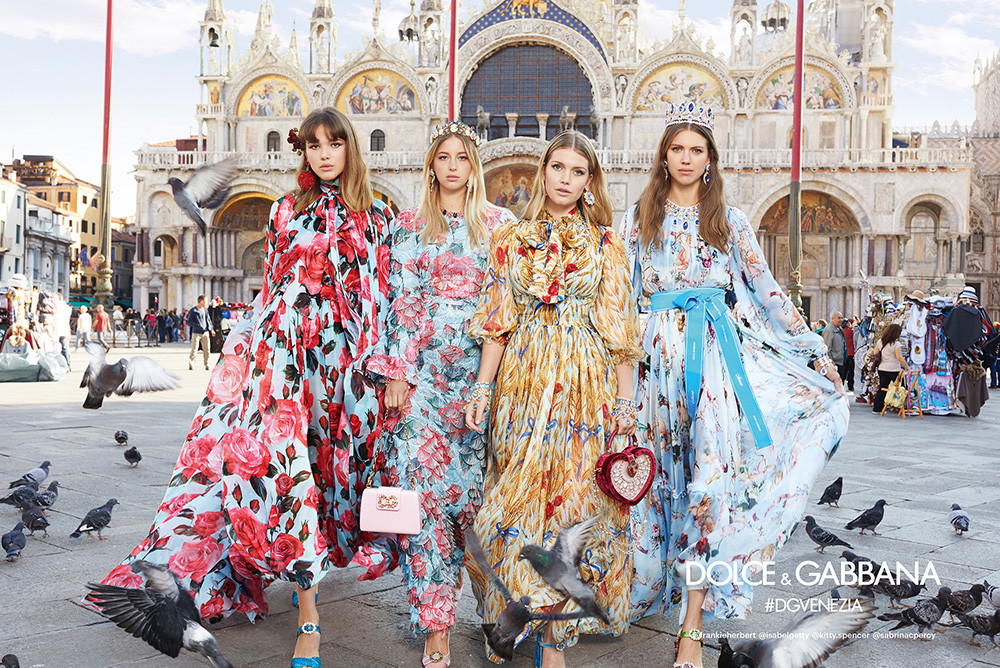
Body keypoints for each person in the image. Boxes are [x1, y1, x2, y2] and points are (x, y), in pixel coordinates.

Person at [89, 107, 400, 668]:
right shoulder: (284, 210)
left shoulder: (378, 216)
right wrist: (242, 353)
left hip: (347, 365)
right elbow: (272, 288)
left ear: (350, 148)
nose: (324, 154)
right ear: (303, 152)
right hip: (285, 359)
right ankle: (309, 617)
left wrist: (386, 369)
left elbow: (383, 295)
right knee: (283, 474)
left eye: (334, 144)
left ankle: (322, 568)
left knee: (335, 473)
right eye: (313, 145)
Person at [622, 105, 848, 668]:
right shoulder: (638, 218)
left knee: (710, 484)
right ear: (664, 157)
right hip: (654, 367)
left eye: (696, 150)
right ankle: (650, 585)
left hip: (718, 367)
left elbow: (768, 291)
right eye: (677, 149)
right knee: (655, 480)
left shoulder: (731, 220)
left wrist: (815, 353)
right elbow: (620, 294)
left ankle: (692, 627)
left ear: (710, 160)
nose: (686, 159)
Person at [464, 130, 642, 668]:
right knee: (510, 502)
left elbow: (620, 331)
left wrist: (626, 405)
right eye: (558, 167)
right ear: (543, 172)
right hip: (522, 382)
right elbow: (497, 321)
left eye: (577, 171)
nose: (565, 179)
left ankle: (552, 644)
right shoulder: (509, 239)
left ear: (591, 183)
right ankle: (516, 611)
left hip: (585, 384)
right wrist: (482, 387)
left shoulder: (607, 245)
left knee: (573, 507)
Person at [366, 120, 515, 668]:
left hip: (482, 380)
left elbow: (505, 306)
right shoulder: (407, 225)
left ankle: (496, 614)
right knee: (424, 501)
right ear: (432, 164)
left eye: (462, 157)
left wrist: (490, 384)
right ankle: (436, 626)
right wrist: (397, 374)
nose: (453, 166)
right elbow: (400, 302)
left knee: (481, 504)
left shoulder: (501, 226)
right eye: (444, 156)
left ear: (475, 166)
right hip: (423, 382)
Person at [871, 323, 909, 414]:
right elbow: (899, 358)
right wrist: (908, 368)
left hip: (882, 368)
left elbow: (875, 352)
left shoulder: (881, 341)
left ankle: (877, 409)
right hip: (894, 369)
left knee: (882, 388)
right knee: (903, 388)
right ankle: (905, 407)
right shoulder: (897, 344)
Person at [821, 311, 849, 385]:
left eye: (842, 318)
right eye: (838, 318)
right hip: (835, 363)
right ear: (832, 319)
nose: (841, 320)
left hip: (842, 362)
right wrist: (830, 362)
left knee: (840, 384)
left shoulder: (840, 328)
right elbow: (827, 348)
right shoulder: (829, 330)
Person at [187, 295, 213, 370]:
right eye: (205, 301)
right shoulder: (193, 310)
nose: (206, 302)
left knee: (207, 349)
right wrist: (198, 325)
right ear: (201, 301)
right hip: (196, 333)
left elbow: (208, 320)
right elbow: (189, 321)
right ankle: (191, 363)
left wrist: (211, 329)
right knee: (194, 349)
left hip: (205, 332)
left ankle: (206, 363)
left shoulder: (205, 310)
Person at [53, 292, 72, 370]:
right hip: (64, 329)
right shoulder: (67, 307)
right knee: (65, 347)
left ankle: (58, 365)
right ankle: (67, 364)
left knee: (56, 348)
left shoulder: (56, 306)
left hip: (57, 329)